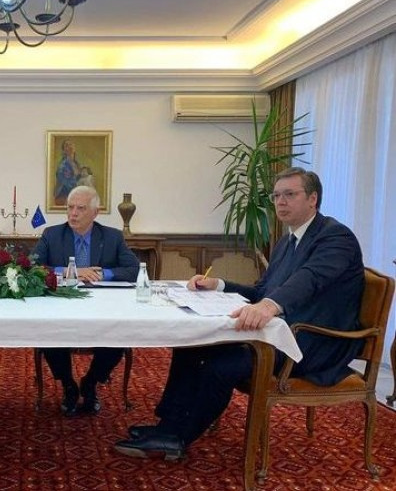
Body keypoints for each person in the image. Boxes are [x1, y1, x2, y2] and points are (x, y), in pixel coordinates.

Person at [115, 167, 365, 460]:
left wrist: (270, 306)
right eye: (276, 196)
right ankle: (168, 425)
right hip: (278, 332)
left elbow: (310, 279)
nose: (281, 201)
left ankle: (178, 437)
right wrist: (218, 284)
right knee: (191, 345)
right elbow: (262, 290)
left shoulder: (335, 237)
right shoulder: (286, 242)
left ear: (313, 199)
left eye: (290, 194)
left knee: (223, 364)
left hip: (313, 342)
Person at [34, 185, 139, 415]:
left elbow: (134, 270)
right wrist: (70, 271)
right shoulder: (52, 234)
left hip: (102, 306)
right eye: (70, 207)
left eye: (80, 208)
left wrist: (103, 273)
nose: (73, 213)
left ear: (95, 213)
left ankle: (91, 381)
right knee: (48, 332)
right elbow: (33, 267)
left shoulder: (112, 237)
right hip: (61, 304)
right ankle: (68, 384)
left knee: (119, 334)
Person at [53, 139, 81, 206]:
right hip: (63, 196)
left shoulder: (76, 164)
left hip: (74, 195)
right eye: (67, 145)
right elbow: (64, 181)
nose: (70, 146)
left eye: (71, 144)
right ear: (64, 150)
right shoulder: (63, 165)